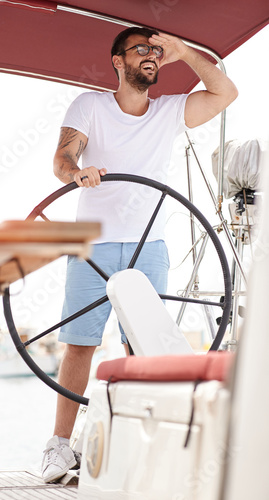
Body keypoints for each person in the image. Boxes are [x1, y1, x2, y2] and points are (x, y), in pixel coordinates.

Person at [41, 27, 238, 483]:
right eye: (141, 49)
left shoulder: (170, 111)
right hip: (93, 245)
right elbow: (61, 160)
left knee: (144, 345)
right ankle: (58, 448)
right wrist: (77, 174)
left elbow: (225, 91)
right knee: (79, 344)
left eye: (155, 50)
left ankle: (139, 450)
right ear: (117, 60)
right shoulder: (89, 106)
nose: (151, 56)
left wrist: (184, 51)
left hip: (149, 247)